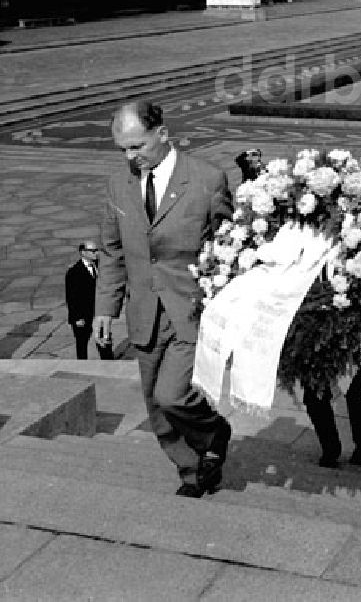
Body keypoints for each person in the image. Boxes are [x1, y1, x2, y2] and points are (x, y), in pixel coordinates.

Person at [95, 101, 233, 497]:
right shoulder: (118, 183)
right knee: (156, 412)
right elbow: (112, 251)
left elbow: (228, 249)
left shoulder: (207, 179)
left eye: (137, 146)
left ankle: (213, 432)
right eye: (122, 149)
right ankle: (194, 471)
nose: (129, 157)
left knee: (172, 396)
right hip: (143, 311)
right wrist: (106, 308)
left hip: (189, 310)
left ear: (162, 133)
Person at [65, 240, 114, 360]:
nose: (96, 253)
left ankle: (108, 364)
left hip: (99, 311)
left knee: (104, 341)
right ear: (83, 253)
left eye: (96, 250)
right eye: (92, 251)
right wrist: (76, 317)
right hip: (83, 315)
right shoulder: (74, 272)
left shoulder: (100, 266)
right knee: (82, 344)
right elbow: (71, 297)